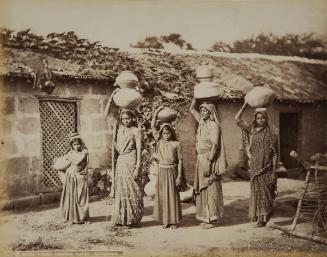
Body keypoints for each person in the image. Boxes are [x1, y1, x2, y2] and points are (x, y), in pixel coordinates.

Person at [235, 102, 278, 227]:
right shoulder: (252, 130)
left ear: (267, 118)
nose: (261, 120)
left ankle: (266, 216)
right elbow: (237, 120)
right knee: (257, 193)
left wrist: (274, 171)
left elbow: (275, 154)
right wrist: (244, 105)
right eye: (258, 118)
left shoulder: (272, 133)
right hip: (255, 167)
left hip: (267, 167)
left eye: (263, 118)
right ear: (255, 118)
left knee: (267, 192)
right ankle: (260, 218)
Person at [190, 99, 227, 229]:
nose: (202, 112)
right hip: (201, 158)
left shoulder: (213, 125)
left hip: (209, 158)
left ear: (210, 112)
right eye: (201, 110)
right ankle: (206, 217)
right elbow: (192, 110)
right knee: (203, 188)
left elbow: (215, 145)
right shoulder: (201, 122)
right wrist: (195, 98)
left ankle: (213, 218)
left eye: (205, 110)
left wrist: (210, 161)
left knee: (211, 186)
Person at [151, 107, 184, 229]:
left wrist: (179, 176)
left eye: (168, 133)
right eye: (164, 133)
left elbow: (180, 161)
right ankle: (166, 220)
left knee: (172, 195)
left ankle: (174, 221)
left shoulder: (177, 144)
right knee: (163, 195)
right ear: (161, 134)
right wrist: (155, 114)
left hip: (172, 171)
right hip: (161, 171)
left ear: (172, 133)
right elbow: (152, 128)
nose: (166, 135)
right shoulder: (159, 142)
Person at [111, 108, 144, 227]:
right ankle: (122, 218)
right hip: (121, 160)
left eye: (128, 118)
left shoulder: (136, 131)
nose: (125, 121)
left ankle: (133, 218)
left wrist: (138, 166)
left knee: (133, 188)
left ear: (132, 118)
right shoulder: (119, 130)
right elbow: (107, 116)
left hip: (131, 160)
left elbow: (139, 149)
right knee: (121, 188)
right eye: (123, 119)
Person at [55, 133, 90, 225]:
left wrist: (69, 158)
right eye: (74, 144)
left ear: (81, 144)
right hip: (71, 175)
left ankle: (83, 217)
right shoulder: (70, 153)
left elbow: (78, 161)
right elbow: (63, 163)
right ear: (71, 145)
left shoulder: (84, 152)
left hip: (80, 176)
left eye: (78, 144)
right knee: (71, 196)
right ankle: (72, 217)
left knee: (81, 197)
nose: (77, 146)